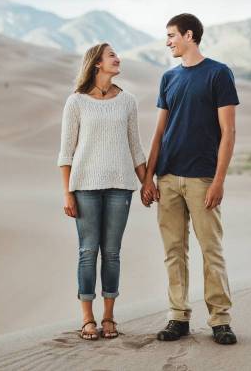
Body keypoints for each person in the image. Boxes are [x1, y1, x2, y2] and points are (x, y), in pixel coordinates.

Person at [141, 13, 239, 345]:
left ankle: (220, 320)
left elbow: (228, 132)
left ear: (189, 35)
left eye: (171, 35)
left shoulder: (218, 73)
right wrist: (149, 177)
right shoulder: (168, 78)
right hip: (167, 177)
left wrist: (218, 181)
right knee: (174, 250)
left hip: (202, 178)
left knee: (211, 249)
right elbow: (159, 132)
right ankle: (177, 317)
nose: (168, 41)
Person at [58, 43, 147, 340]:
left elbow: (136, 147)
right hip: (84, 188)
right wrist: (67, 193)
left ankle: (109, 316)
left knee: (112, 253)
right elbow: (66, 152)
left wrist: (147, 182)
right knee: (87, 251)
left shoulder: (128, 101)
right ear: (96, 63)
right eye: (111, 55)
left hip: (121, 186)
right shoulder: (76, 102)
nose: (117, 58)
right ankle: (87, 319)